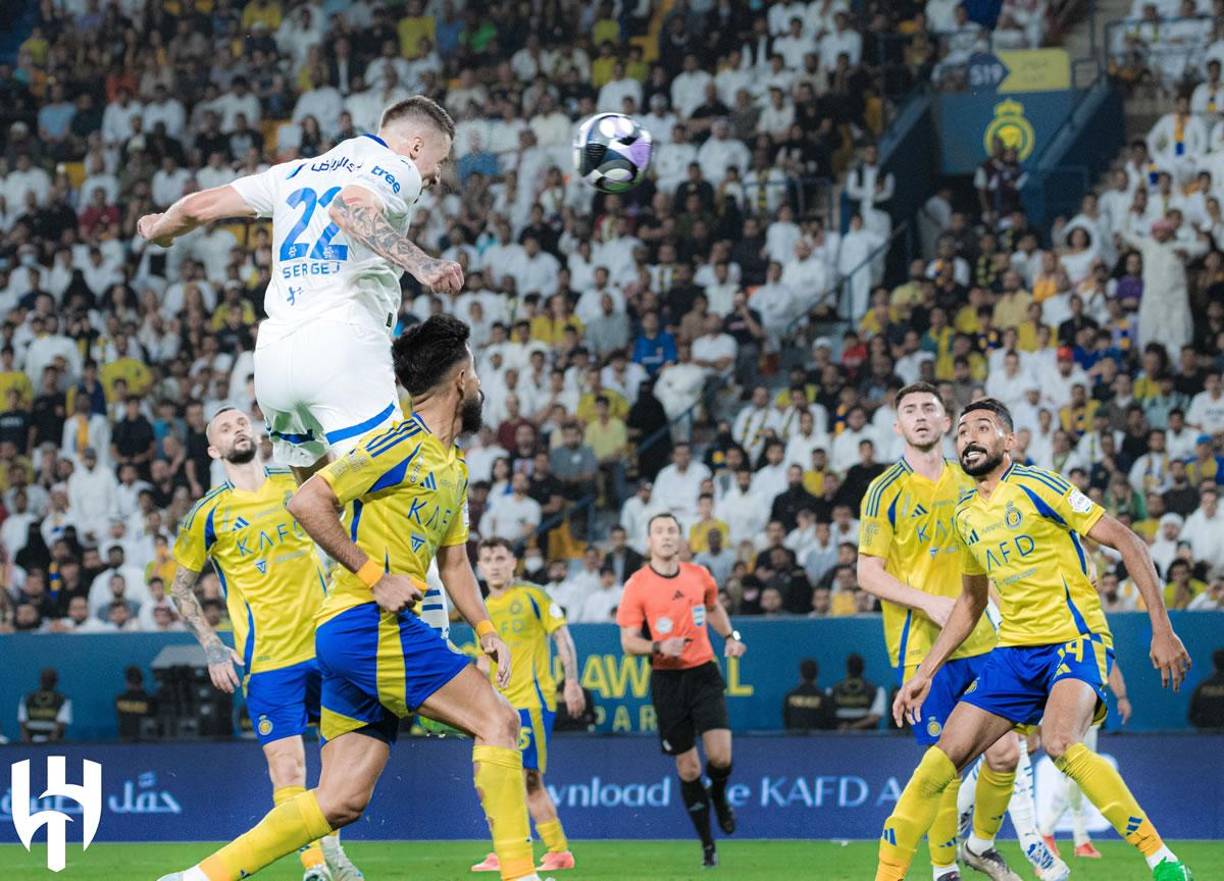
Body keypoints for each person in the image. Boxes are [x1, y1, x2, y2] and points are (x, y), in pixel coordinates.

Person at [159, 316, 546, 881]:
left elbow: (454, 563)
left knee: (341, 799)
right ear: (461, 380)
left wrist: (485, 629)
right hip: (369, 622)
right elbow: (308, 501)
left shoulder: (454, 465)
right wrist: (374, 576)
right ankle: (521, 874)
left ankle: (200, 877)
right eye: (477, 374)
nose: (481, 385)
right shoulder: (398, 443)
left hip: (353, 636)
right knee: (499, 720)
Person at [877, 398, 1194, 881]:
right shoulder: (965, 516)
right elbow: (971, 603)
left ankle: (1163, 861)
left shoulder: (1039, 485)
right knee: (939, 762)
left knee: (1061, 742)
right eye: (962, 432)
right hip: (1013, 652)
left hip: (1073, 638)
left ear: (1009, 441)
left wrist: (1162, 626)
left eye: (982, 428)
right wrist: (925, 671)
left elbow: (1128, 540)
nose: (968, 438)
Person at [138, 95, 463, 482]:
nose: (438, 176)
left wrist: (160, 229)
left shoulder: (293, 172)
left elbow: (199, 207)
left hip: (275, 360)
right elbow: (348, 208)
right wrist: (423, 264)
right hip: (343, 344)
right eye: (441, 160)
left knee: (315, 499)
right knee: (395, 491)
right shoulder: (398, 166)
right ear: (416, 146)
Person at [858, 381, 1063, 881]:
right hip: (922, 647)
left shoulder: (971, 479)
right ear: (898, 426)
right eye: (910, 409)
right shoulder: (884, 490)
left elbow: (993, 557)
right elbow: (867, 574)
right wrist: (927, 601)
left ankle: (980, 846)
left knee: (1006, 753)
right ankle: (943, 870)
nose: (920, 416)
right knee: (944, 764)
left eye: (929, 408)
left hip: (985, 640)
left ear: (947, 423)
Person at [169, 406, 360, 881]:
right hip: (269, 662)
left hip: (328, 645)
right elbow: (180, 587)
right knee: (288, 769)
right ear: (213, 450)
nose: (237, 429)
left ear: (254, 434)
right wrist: (213, 647)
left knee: (341, 767)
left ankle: (332, 851)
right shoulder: (206, 514)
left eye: (241, 422)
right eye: (225, 428)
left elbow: (341, 507)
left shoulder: (294, 481)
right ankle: (315, 867)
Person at [616, 512, 746, 868]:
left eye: (672, 530)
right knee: (688, 769)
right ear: (649, 542)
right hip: (667, 680)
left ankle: (718, 796)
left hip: (703, 673)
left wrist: (730, 637)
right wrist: (658, 646)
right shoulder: (637, 585)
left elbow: (713, 607)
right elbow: (628, 642)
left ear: (681, 539)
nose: (666, 536)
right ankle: (707, 844)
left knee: (721, 758)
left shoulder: (698, 575)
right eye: (659, 531)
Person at [470, 537, 585, 875]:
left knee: (525, 778)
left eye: (500, 558)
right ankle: (518, 849)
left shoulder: (534, 596)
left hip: (531, 702)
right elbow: (483, 660)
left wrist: (572, 681)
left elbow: (562, 637)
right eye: (488, 559)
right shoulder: (481, 608)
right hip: (496, 709)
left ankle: (543, 850)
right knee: (494, 778)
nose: (494, 565)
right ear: (479, 567)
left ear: (513, 562)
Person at [1039, 663, 1132, 860]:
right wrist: (1122, 698)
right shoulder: (1090, 643)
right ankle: (1051, 833)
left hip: (1082, 709)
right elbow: (1112, 666)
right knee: (1077, 774)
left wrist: (1122, 697)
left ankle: (1077, 839)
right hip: (1073, 707)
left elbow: (1111, 666)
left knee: (1075, 776)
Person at [18, 668, 71, 743]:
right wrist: (28, 743)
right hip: (30, 743)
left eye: (50, 679)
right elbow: (22, 724)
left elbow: (61, 725)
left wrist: (48, 744)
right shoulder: (27, 698)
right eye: (44, 679)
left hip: (53, 744)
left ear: (55, 681)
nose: (47, 682)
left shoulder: (63, 700)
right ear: (40, 680)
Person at [781, 658, 832, 731]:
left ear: (801, 674)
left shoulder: (789, 696)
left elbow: (787, 722)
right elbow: (828, 723)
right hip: (818, 738)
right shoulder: (823, 698)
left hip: (794, 737)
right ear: (817, 674)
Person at [115, 666, 156, 743]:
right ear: (142, 682)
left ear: (127, 682)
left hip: (126, 742)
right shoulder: (150, 700)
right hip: (146, 743)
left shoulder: (119, 700)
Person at [1187, 649, 1224, 731]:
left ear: (1214, 665)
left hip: (1207, 736)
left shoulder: (1202, 688)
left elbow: (1192, 715)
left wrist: (1207, 727)